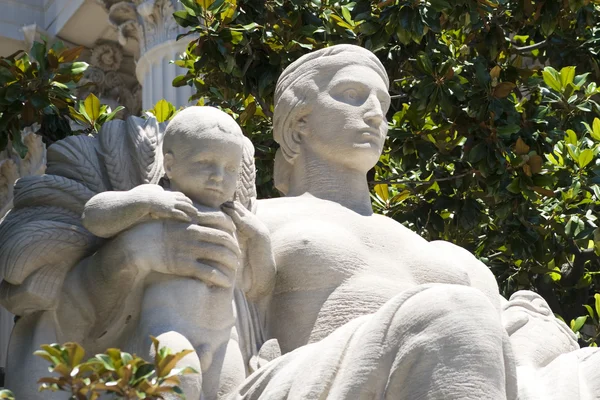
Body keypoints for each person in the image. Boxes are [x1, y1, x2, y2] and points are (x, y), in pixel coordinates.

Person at [79, 106, 275, 398]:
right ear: (169, 165)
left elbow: (257, 285)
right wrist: (143, 200)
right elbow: (93, 216)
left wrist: (260, 239)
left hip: (225, 341)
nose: (219, 176)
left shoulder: (236, 222)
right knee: (177, 388)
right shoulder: (163, 205)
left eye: (230, 168)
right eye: (206, 162)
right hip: (169, 335)